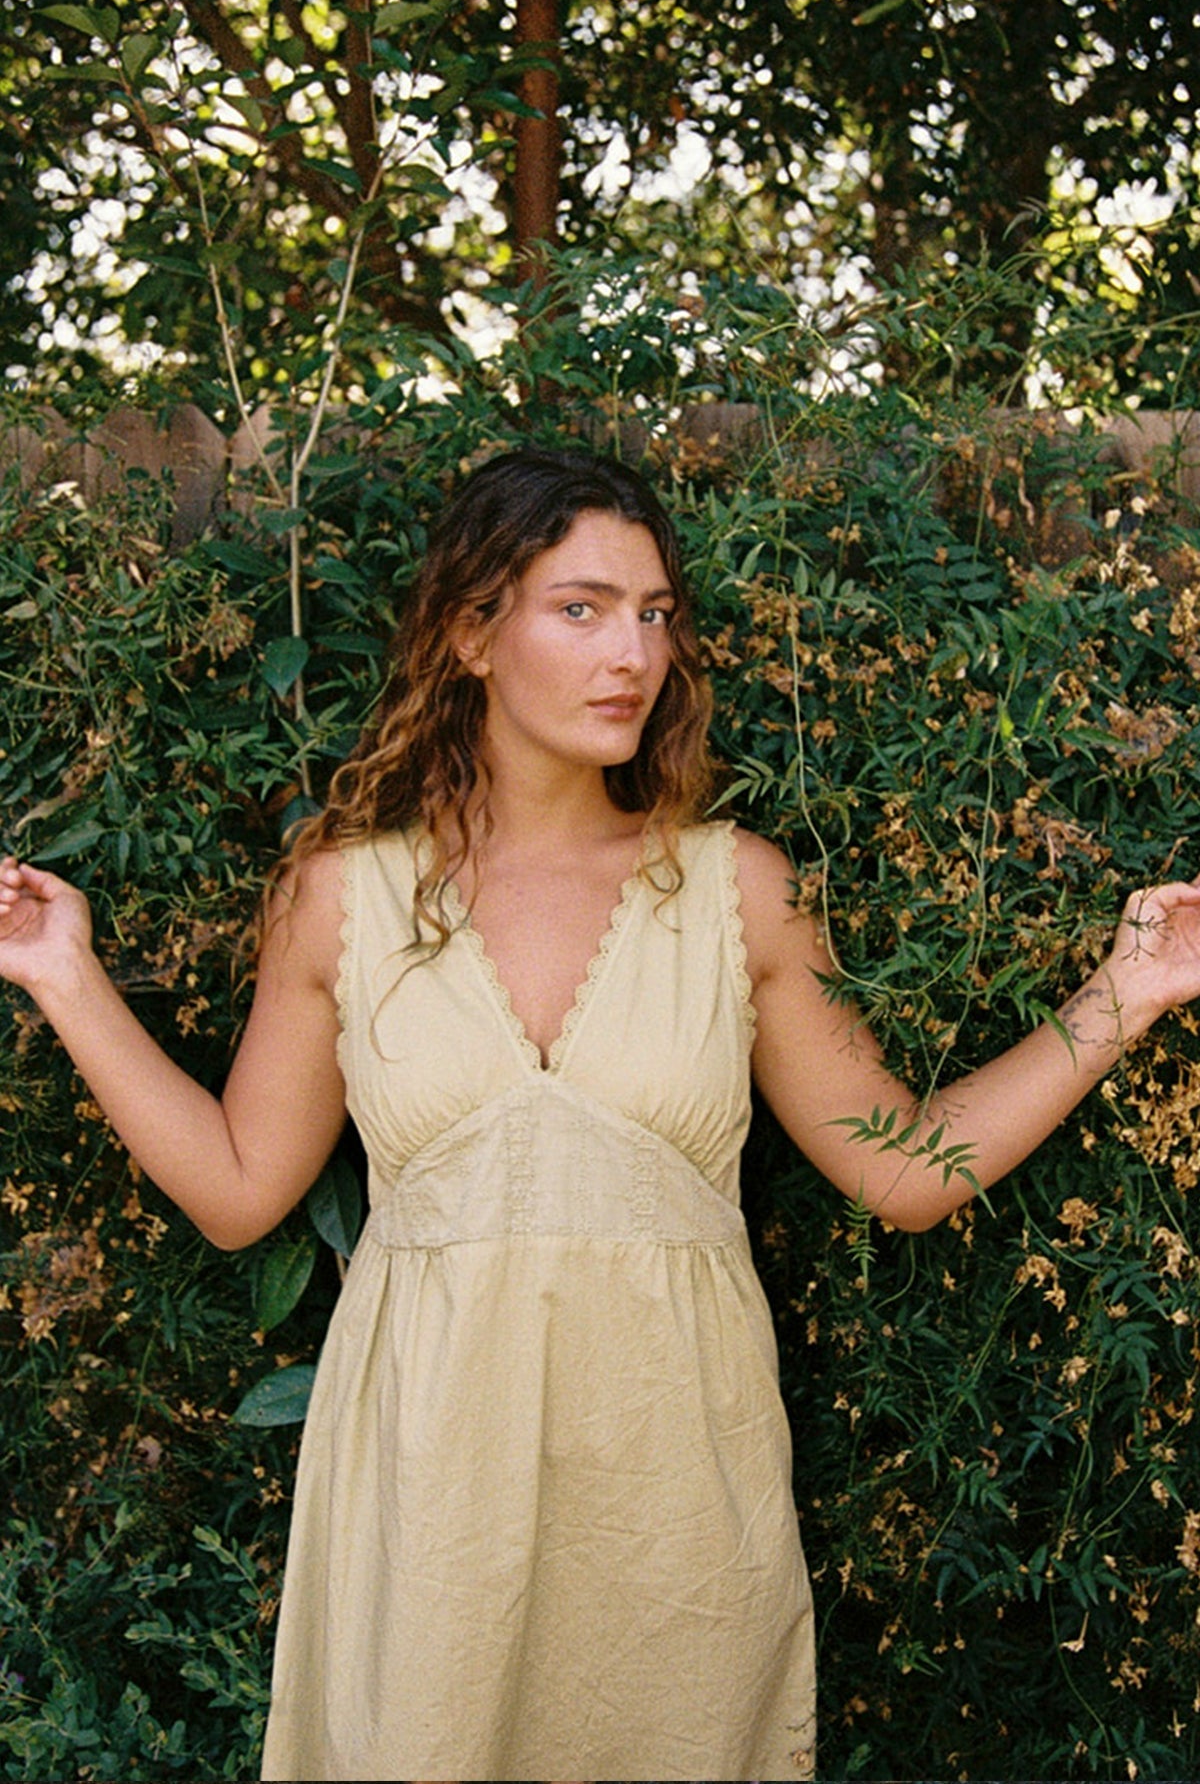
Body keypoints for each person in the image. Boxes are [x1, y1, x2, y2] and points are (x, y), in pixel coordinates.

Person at [2, 445, 1200, 1783]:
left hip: (673, 1502)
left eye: (654, 613)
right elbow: (237, 1193)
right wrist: (66, 974)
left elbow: (906, 1172)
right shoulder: (343, 897)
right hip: (429, 1498)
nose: (632, 651)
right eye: (579, 608)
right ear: (471, 632)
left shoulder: (735, 888)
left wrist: (1128, 992)